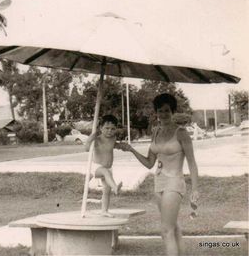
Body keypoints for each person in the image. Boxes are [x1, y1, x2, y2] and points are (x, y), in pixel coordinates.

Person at [120, 93, 199, 256]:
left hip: (174, 183)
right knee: (174, 227)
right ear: (156, 112)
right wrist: (131, 150)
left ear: (173, 111)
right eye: (160, 111)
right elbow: (150, 162)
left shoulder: (181, 133)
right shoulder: (155, 132)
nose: (163, 114)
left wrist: (195, 189)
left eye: (167, 110)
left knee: (166, 230)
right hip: (159, 183)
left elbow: (192, 162)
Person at [85, 114, 123, 217]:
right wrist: (90, 138)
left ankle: (104, 211)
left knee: (106, 191)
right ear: (101, 128)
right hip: (97, 167)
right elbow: (86, 148)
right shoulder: (97, 139)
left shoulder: (113, 138)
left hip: (108, 168)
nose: (110, 131)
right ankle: (115, 187)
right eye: (107, 128)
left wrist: (121, 146)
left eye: (112, 129)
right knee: (105, 173)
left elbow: (113, 146)